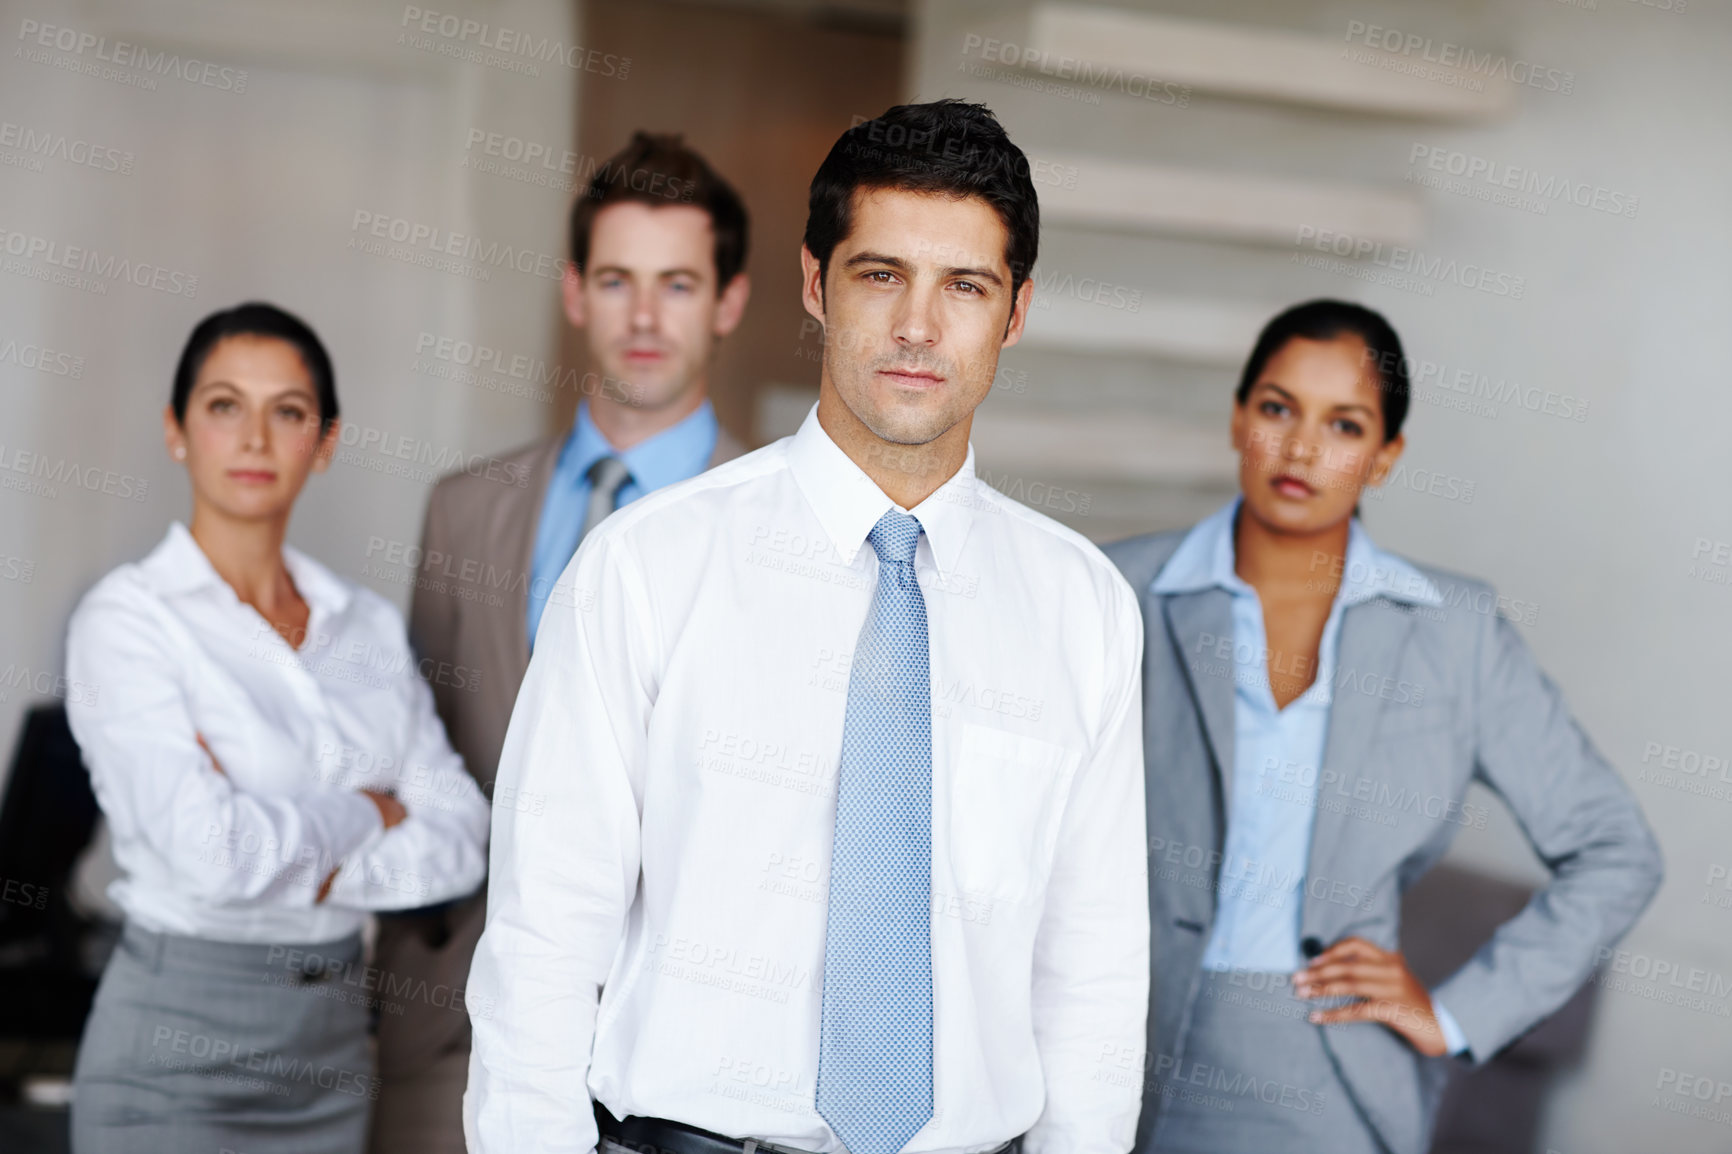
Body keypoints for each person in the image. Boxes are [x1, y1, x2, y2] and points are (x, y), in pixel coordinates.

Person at [464, 99, 1150, 1154]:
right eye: (881, 274)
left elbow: (1093, 971)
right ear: (813, 282)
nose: (918, 325)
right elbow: (542, 939)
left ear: (1013, 313)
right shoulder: (647, 568)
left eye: (964, 285)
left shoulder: (1083, 606)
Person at [1103, 299, 1664, 1154]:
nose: (1300, 450)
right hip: (1120, 1059)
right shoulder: (1117, 591)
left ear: (1386, 456)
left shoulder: (1454, 630)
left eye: (1345, 424)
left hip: (1336, 1087)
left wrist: (1458, 1013)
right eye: (1278, 408)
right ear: (1237, 416)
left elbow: (1617, 850)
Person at [368, 131, 752, 1154]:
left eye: (677, 283)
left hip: (687, 1049)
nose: (642, 315)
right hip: (456, 1025)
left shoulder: (786, 525)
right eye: (617, 279)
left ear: (729, 301)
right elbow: (422, 755)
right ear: (575, 291)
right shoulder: (463, 509)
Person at [64, 302, 491, 1153]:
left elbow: (464, 836)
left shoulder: (362, 624)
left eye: (287, 412)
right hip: (171, 1052)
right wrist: (368, 811)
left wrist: (289, 855)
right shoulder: (128, 621)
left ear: (324, 441)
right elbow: (210, 856)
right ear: (176, 430)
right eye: (224, 405)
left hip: (332, 1049)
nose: (254, 438)